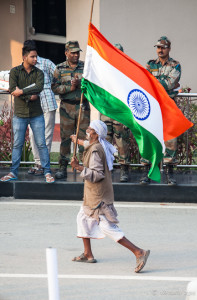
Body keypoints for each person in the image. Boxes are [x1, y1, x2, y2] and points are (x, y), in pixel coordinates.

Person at [70, 120, 150, 273]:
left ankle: (139, 252)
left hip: (98, 197)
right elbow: (87, 144)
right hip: (91, 195)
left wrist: (78, 167)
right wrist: (78, 141)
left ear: (96, 134)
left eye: (89, 129)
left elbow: (97, 175)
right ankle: (88, 254)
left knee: (107, 228)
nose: (87, 131)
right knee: (82, 219)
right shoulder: (95, 145)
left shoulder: (95, 151)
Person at [0, 44, 54, 183]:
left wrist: (22, 92)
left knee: (41, 143)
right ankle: (13, 172)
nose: (36, 59)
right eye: (33, 56)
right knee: (17, 144)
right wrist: (28, 95)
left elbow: (39, 87)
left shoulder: (39, 73)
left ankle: (47, 172)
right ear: (24, 57)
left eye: (36, 56)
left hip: (37, 114)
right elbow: (13, 89)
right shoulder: (15, 72)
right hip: (20, 114)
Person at [140, 36, 181, 186]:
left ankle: (169, 172)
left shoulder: (175, 65)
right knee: (149, 138)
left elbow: (171, 84)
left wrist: (153, 82)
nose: (160, 50)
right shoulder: (150, 64)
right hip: (151, 106)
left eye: (163, 47)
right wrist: (153, 82)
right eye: (158, 47)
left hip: (167, 106)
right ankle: (147, 171)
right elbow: (144, 81)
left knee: (170, 139)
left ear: (169, 49)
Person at [52, 40, 90, 179]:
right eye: (73, 52)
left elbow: (92, 86)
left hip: (83, 107)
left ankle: (84, 167)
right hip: (66, 108)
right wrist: (70, 88)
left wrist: (81, 84)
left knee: (83, 138)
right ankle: (63, 167)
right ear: (66, 53)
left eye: (77, 52)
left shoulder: (85, 67)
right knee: (66, 138)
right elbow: (54, 87)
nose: (75, 55)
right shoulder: (60, 68)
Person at [23, 40, 58, 176]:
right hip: (32, 106)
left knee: (47, 135)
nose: (35, 58)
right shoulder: (23, 68)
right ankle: (38, 162)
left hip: (47, 102)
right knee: (33, 134)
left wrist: (52, 87)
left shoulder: (46, 63)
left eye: (35, 55)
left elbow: (58, 75)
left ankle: (44, 164)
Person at [101, 43, 131, 182]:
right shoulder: (104, 70)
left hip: (120, 111)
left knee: (122, 141)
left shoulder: (127, 71)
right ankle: (105, 168)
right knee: (104, 140)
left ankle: (124, 169)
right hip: (106, 110)